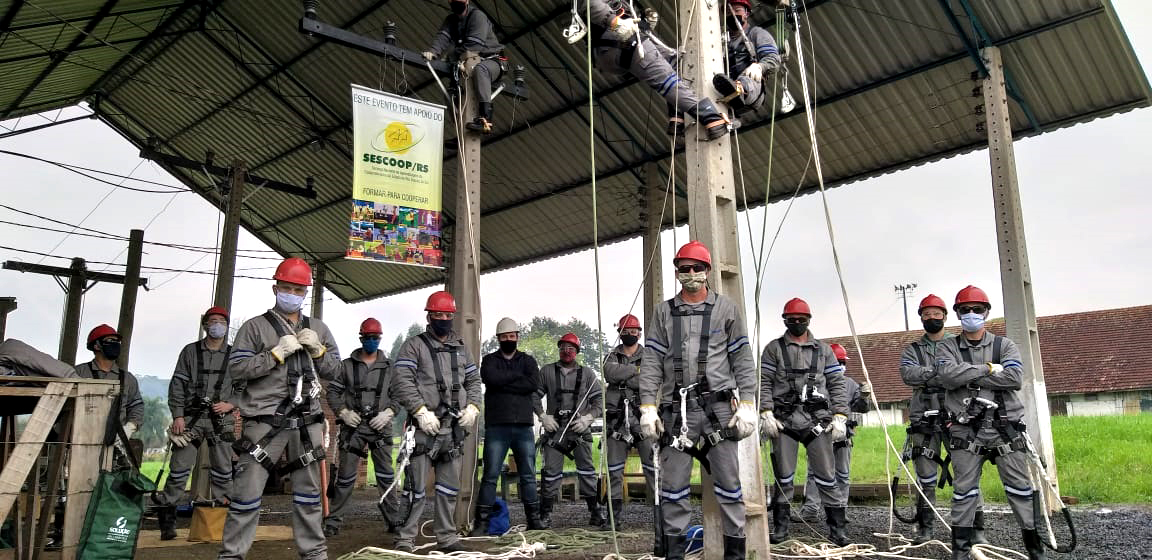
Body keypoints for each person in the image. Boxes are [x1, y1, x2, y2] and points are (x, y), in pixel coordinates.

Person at [638, 240, 759, 560]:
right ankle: (675, 553)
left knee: (729, 487)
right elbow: (651, 362)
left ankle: (736, 553)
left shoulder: (726, 310)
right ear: (677, 272)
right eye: (683, 269)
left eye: (696, 268)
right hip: (677, 414)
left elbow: (743, 360)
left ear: (707, 272)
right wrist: (647, 406)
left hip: (718, 410)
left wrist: (747, 402)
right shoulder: (663, 313)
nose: (690, 274)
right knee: (673, 487)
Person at [220, 257, 342, 560]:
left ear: (306, 293)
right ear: (275, 287)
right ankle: (232, 555)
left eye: (298, 290)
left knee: (310, 495)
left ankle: (314, 553)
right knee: (247, 493)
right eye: (286, 287)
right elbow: (237, 368)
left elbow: (335, 371)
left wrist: (318, 349)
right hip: (264, 421)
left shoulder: (319, 329)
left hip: (307, 420)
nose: (292, 294)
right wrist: (274, 355)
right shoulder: (254, 328)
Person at [936, 286, 1045, 560]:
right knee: (964, 491)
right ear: (958, 314)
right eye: (965, 310)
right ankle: (960, 552)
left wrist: (966, 376)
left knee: (1020, 488)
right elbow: (947, 378)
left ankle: (1035, 549)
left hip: (1004, 428)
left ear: (986, 312)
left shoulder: (1004, 345)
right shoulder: (947, 346)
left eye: (977, 309)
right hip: (964, 430)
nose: (971, 314)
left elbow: (1013, 379)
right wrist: (986, 369)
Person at [390, 291, 481, 553]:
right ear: (429, 316)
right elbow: (402, 380)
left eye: (447, 315)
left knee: (448, 489)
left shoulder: (462, 348)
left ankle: (447, 537)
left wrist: (474, 406)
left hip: (452, 430)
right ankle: (406, 538)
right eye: (438, 314)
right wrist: (419, 410)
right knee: (414, 489)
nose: (443, 319)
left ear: (453, 317)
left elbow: (474, 382)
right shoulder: (414, 346)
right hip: (423, 428)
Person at [758, 298, 850, 546]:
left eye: (802, 319)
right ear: (785, 320)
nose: (797, 323)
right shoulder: (774, 349)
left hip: (816, 421)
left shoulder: (823, 351)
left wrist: (840, 415)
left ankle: (837, 529)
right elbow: (764, 382)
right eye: (792, 320)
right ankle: (781, 528)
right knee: (783, 478)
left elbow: (837, 384)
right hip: (783, 422)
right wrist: (765, 412)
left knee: (827, 477)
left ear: (809, 320)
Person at [580, 0, 733, 141]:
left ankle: (676, 117)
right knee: (666, 78)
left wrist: (643, 23)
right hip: (616, 42)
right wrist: (615, 22)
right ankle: (712, 119)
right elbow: (589, 4)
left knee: (675, 61)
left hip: (614, 46)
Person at [153, 306, 237, 541]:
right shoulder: (190, 352)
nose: (218, 324)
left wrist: (231, 404)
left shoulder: (234, 355)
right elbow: (177, 384)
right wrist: (177, 415)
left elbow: (244, 388)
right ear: (205, 325)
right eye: (213, 321)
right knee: (179, 471)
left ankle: (222, 520)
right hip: (191, 419)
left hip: (221, 420)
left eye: (222, 321)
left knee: (223, 472)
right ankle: (167, 520)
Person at [471, 317, 546, 536]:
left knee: (529, 475)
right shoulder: (489, 360)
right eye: (504, 337)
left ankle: (534, 521)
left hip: (523, 426)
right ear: (498, 339)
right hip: (497, 426)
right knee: (490, 475)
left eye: (511, 336)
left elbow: (532, 383)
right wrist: (516, 379)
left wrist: (504, 381)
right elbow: (490, 379)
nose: (508, 340)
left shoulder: (528, 361)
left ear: (517, 337)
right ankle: (482, 524)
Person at [324, 318, 398, 537]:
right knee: (345, 478)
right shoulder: (346, 366)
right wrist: (343, 413)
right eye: (368, 338)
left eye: (375, 338)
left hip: (380, 428)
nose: (371, 342)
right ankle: (333, 522)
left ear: (380, 339)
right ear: (361, 338)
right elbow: (333, 393)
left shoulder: (390, 367)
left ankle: (394, 520)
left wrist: (389, 413)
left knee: (386, 476)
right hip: (353, 428)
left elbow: (400, 395)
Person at [899, 294, 956, 544]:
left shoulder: (958, 344)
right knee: (925, 476)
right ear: (921, 317)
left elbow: (963, 373)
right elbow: (908, 374)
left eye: (936, 313)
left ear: (945, 315)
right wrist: (942, 373)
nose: (931, 318)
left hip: (957, 415)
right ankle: (926, 528)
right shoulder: (912, 350)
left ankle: (974, 530)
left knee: (967, 475)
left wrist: (931, 376)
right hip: (923, 418)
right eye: (926, 314)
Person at [794, 343, 869, 523]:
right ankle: (810, 510)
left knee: (842, 475)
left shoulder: (850, 384)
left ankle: (840, 511)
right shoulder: (813, 383)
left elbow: (861, 407)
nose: (841, 366)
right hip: (819, 437)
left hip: (843, 438)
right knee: (814, 475)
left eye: (843, 362)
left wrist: (865, 397)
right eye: (838, 362)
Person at [537, 333, 604, 529]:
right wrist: (542, 415)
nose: (567, 352)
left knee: (587, 471)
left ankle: (595, 512)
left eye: (571, 348)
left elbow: (599, 401)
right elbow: (534, 395)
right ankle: (545, 514)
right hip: (555, 430)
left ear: (577, 351)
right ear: (559, 350)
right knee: (550, 472)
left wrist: (588, 418)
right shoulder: (547, 372)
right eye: (563, 348)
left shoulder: (588, 374)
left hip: (579, 430)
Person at [602, 313, 655, 532]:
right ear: (620, 333)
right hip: (617, 420)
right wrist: (635, 370)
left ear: (639, 333)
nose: (630, 334)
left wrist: (627, 375)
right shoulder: (612, 355)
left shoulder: (649, 355)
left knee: (653, 468)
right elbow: (609, 373)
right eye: (626, 332)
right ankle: (613, 519)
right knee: (614, 471)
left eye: (634, 331)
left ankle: (662, 518)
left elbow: (650, 379)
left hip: (643, 416)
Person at [422, 0, 506, 133]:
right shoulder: (451, 20)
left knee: (481, 70)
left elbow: (474, 45)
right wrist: (433, 52)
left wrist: (451, 56)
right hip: (466, 63)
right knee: (452, 93)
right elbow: (442, 37)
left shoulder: (477, 16)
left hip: (492, 61)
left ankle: (486, 119)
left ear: (466, 1)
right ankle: (461, 132)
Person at [75, 324, 144, 449]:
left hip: (115, 443)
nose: (115, 344)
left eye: (117, 341)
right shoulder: (79, 373)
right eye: (110, 341)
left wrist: (130, 427)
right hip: (81, 442)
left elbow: (137, 406)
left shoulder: (128, 379)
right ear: (96, 345)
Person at [712, 0, 781, 115]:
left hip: (752, 89)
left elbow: (773, 59)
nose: (733, 14)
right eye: (728, 12)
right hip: (724, 94)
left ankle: (739, 90)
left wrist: (759, 67)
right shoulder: (720, 40)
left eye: (737, 10)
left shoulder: (756, 33)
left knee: (749, 75)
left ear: (747, 14)